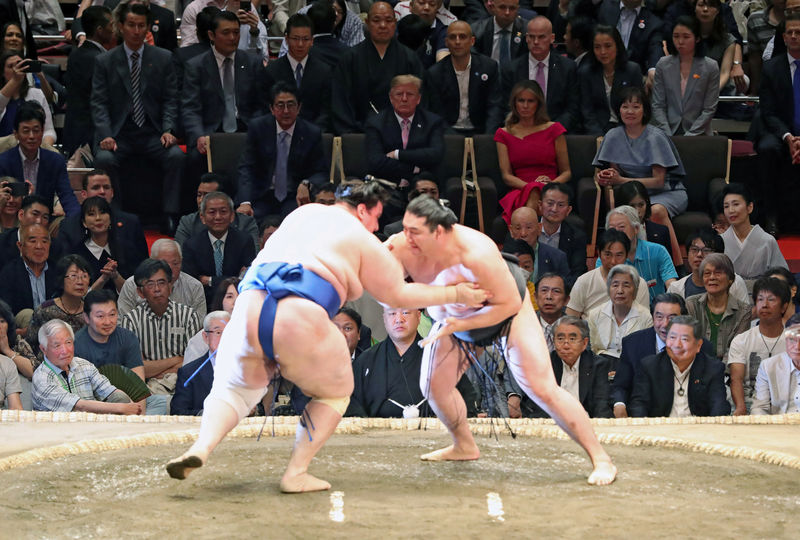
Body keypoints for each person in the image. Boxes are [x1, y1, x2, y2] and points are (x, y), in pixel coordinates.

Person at [166, 183, 489, 492]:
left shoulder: (300, 215)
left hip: (249, 308)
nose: (376, 227)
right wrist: (455, 291)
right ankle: (296, 473)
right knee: (336, 393)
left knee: (233, 390)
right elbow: (398, 294)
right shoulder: (361, 238)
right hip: (299, 312)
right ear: (362, 209)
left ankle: (202, 447)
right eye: (376, 217)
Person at [386, 195, 617, 485]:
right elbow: (386, 288)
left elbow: (507, 305)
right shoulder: (400, 246)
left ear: (442, 232)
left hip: (507, 312)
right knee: (432, 385)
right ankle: (464, 445)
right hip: (454, 318)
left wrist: (460, 322)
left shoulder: (477, 254)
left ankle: (601, 458)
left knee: (542, 388)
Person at [91, 2, 185, 224]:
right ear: (120, 26)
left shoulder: (163, 58)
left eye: (141, 25)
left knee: (176, 156)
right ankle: (112, 213)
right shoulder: (105, 61)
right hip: (119, 133)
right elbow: (99, 103)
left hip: (152, 132)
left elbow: (171, 99)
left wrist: (169, 129)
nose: (136, 31)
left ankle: (170, 214)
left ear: (148, 28)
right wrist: (105, 134)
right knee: (104, 158)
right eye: (131, 25)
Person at [594, 87, 687, 267]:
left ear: (645, 110)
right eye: (625, 106)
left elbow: (658, 181)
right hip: (633, 194)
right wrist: (607, 177)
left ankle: (675, 265)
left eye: (636, 107)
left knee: (657, 211)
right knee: (622, 215)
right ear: (618, 109)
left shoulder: (655, 136)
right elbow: (615, 177)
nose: (630, 111)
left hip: (666, 191)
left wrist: (620, 180)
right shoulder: (613, 135)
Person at [182, 10, 267, 185]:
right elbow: (191, 108)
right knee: (193, 159)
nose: (232, 38)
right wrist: (198, 135)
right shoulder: (196, 66)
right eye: (226, 33)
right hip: (211, 131)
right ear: (212, 35)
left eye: (236, 32)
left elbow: (261, 105)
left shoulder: (252, 63)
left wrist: (257, 131)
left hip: (245, 129)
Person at [349, 306, 472, 417]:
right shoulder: (366, 361)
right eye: (392, 314)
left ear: (418, 316)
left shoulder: (440, 357)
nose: (399, 319)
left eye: (406, 312)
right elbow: (352, 405)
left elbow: (467, 399)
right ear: (384, 319)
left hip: (433, 434)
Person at [612, 292, 715, 417]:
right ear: (652, 317)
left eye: (672, 318)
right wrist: (619, 404)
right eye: (659, 317)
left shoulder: (701, 346)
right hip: (646, 417)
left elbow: (713, 395)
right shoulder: (633, 344)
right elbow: (620, 386)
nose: (665, 324)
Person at [235, 82, 327, 219]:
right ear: (271, 109)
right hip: (262, 194)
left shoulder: (311, 133)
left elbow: (321, 171)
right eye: (280, 105)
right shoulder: (258, 128)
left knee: (297, 221)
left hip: (294, 196)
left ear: (299, 107)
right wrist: (245, 202)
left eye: (290, 105)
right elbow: (247, 167)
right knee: (246, 219)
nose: (285, 111)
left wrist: (306, 183)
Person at [331, 2, 425, 134]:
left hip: (402, 134)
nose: (382, 26)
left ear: (395, 23)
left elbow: (420, 100)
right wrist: (351, 136)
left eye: (388, 20)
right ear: (367, 22)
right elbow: (340, 103)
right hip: (359, 135)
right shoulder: (350, 58)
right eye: (376, 20)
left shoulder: (410, 59)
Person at [121, 259, 202, 411]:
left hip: (184, 384)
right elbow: (135, 369)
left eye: (162, 283)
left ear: (170, 286)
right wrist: (177, 360)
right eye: (150, 284)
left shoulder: (188, 315)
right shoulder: (131, 321)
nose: (157, 289)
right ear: (140, 292)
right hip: (148, 389)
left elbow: (193, 363)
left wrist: (157, 370)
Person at [495, 80, 570, 224]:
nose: (525, 106)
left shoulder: (554, 129)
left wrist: (547, 186)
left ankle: (524, 241)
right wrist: (532, 186)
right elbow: (506, 176)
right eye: (521, 100)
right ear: (514, 103)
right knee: (533, 192)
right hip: (520, 189)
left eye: (530, 101)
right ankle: (534, 239)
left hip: (552, 187)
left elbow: (566, 172)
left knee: (538, 193)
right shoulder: (503, 134)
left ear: (539, 104)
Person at [507, 316, 612, 418]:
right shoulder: (544, 364)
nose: (566, 345)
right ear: (554, 341)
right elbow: (537, 406)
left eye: (572, 339)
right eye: (560, 339)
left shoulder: (598, 365)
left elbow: (601, 405)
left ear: (584, 343)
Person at [31, 319, 141, 414]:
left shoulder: (84, 365)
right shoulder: (42, 378)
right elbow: (80, 405)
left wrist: (130, 404)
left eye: (68, 342)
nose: (65, 351)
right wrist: (122, 408)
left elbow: (109, 391)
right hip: (59, 432)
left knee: (122, 398)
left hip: (94, 425)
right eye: (57, 346)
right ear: (43, 349)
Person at [628, 315, 730, 417]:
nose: (677, 345)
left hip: (698, 429)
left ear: (698, 345)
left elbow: (718, 405)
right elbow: (639, 404)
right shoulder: (649, 366)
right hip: (660, 429)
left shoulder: (713, 368)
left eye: (684, 339)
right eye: (672, 337)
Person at [754, 13, 800, 235]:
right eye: (789, 32)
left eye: (798, 32)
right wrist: (789, 137)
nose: (793, 36)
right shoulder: (772, 68)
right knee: (767, 148)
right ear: (783, 36)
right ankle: (771, 217)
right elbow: (768, 111)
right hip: (780, 129)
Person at [501, 17, 580, 132]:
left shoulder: (568, 68)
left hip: (556, 132)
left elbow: (573, 108)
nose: (536, 42)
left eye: (541, 37)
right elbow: (506, 107)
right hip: (521, 132)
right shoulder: (511, 69)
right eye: (532, 37)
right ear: (526, 38)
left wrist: (552, 129)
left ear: (552, 38)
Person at [56, 170, 148, 268]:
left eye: (106, 187)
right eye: (96, 188)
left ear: (112, 193)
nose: (102, 192)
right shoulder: (68, 226)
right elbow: (63, 268)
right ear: (84, 194)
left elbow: (144, 265)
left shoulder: (131, 223)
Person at [0, 101, 79, 216]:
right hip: (12, 221)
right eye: (26, 131)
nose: (31, 136)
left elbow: (68, 198)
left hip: (45, 221)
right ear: (16, 134)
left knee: (64, 223)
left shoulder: (55, 161)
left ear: (42, 132)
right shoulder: (3, 162)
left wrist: (78, 223)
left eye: (36, 131)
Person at [425, 21, 504, 136]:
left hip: (481, 131)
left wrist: (488, 136)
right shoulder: (434, 73)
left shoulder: (489, 67)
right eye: (452, 37)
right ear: (446, 42)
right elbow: (436, 113)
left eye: (462, 37)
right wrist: (456, 140)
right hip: (448, 133)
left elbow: (495, 106)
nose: (457, 42)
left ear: (472, 41)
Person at [364, 74, 445, 185]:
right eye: (399, 94)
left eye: (410, 94)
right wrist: (414, 169)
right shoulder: (376, 123)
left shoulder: (432, 122)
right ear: (391, 98)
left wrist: (398, 154)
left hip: (421, 187)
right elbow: (376, 161)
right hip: (387, 185)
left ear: (418, 99)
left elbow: (435, 154)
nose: (404, 99)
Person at [727, 277, 790, 415]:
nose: (765, 305)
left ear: (784, 306)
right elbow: (736, 379)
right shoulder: (741, 340)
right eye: (760, 299)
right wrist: (740, 408)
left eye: (771, 299)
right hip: (749, 404)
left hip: (785, 406)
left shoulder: (793, 341)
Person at [182, 191, 255, 306]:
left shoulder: (244, 241)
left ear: (232, 216)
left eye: (223, 212)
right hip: (203, 303)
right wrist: (231, 278)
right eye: (212, 212)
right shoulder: (191, 245)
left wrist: (209, 280)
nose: (218, 217)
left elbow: (245, 279)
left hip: (237, 302)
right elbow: (193, 284)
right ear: (202, 217)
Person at [651, 16, 720, 136]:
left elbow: (709, 109)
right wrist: (667, 134)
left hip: (699, 133)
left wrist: (690, 136)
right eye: (676, 36)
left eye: (686, 37)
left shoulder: (710, 67)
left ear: (697, 38)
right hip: (668, 131)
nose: (680, 42)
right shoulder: (663, 64)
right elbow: (658, 105)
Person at [597, 205, 678, 302]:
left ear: (636, 228)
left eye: (621, 227)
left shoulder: (658, 251)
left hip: (656, 311)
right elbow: (603, 292)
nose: (617, 233)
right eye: (612, 229)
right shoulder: (605, 259)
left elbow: (671, 284)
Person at [264, 13, 331, 130]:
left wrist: (312, 132)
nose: (300, 44)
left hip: (314, 134)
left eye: (305, 39)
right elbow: (266, 108)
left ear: (312, 41)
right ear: (286, 39)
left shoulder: (324, 71)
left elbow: (327, 111)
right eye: (295, 39)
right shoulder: (271, 70)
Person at [63, 6, 115, 156]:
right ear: (100, 29)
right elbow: (100, 98)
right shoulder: (95, 58)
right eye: (111, 25)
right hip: (88, 134)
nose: (113, 29)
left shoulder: (81, 53)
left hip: (81, 129)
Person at [567, 228, 650, 317]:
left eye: (619, 255)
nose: (613, 261)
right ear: (599, 253)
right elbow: (570, 318)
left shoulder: (639, 284)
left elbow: (643, 321)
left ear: (626, 255)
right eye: (608, 254)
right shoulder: (584, 281)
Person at [586, 264, 653, 372]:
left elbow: (646, 354)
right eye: (615, 285)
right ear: (608, 289)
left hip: (632, 369)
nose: (620, 290)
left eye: (626, 285)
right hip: (600, 368)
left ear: (635, 290)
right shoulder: (595, 314)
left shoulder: (645, 316)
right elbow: (591, 350)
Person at [117, 238, 207, 319]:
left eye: (175, 263)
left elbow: (198, 324)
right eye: (164, 264)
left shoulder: (194, 286)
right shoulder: (132, 284)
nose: (170, 270)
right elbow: (124, 321)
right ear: (152, 261)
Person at [686, 253, 752, 362]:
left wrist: (718, 371)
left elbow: (736, 350)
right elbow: (689, 342)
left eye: (718, 273)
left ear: (730, 279)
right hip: (696, 365)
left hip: (728, 368)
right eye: (707, 273)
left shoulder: (743, 311)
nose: (712, 277)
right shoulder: (691, 305)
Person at [578, 25, 643, 136]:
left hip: (627, 129)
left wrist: (620, 134)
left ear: (617, 46)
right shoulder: (585, 73)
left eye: (608, 46)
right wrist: (598, 135)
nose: (603, 52)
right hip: (596, 132)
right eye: (597, 47)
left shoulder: (632, 70)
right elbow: (587, 111)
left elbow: (638, 106)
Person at [719, 183, 788, 283]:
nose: (731, 210)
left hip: (761, 294)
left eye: (736, 204)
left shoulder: (767, 241)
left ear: (749, 207)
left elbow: (781, 277)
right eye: (726, 206)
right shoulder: (720, 240)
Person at [25, 254, 91, 359]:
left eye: (84, 276)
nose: (80, 282)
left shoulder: (91, 312)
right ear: (61, 280)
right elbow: (30, 346)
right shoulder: (44, 310)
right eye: (74, 276)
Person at [66, 196, 135, 294]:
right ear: (84, 222)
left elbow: (134, 294)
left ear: (110, 218)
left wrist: (115, 275)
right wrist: (103, 278)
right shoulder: (76, 254)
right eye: (91, 214)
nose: (98, 218)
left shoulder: (126, 248)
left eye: (102, 212)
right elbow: (78, 296)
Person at [175, 174, 259, 253]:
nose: (201, 200)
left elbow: (253, 256)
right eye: (199, 195)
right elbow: (181, 256)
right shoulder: (188, 222)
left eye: (207, 196)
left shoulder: (245, 223)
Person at [667, 227, 749, 304]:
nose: (699, 254)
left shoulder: (735, 283)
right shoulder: (675, 289)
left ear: (719, 255)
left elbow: (744, 316)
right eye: (694, 250)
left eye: (706, 250)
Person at [74, 289, 144, 379]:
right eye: (100, 316)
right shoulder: (76, 344)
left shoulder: (128, 338)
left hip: (125, 393)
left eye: (112, 314)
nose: (107, 322)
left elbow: (138, 381)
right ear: (86, 318)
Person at [596, 0, 664, 91]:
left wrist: (653, 69)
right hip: (602, 69)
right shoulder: (606, 8)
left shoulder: (653, 22)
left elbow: (655, 47)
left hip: (632, 78)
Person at [172, 311, 231, 416]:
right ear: (205, 337)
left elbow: (260, 409)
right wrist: (206, 413)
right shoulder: (189, 373)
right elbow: (178, 412)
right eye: (218, 332)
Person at [0, 223, 57, 317]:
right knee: (27, 314)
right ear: (20, 246)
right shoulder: (9, 273)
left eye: (44, 241)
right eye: (33, 241)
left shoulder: (58, 271)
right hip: (22, 326)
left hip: (54, 325)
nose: (39, 246)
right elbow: (5, 312)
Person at [179, 0, 267, 60]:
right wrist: (231, 21)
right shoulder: (194, 8)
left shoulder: (244, 6)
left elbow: (262, 54)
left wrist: (254, 31)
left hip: (243, 64)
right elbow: (188, 50)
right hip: (208, 65)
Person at [0, 51, 56, 146]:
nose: (16, 69)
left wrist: (45, 148)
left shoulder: (37, 94)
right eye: (10, 66)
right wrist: (15, 80)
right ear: (2, 72)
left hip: (33, 150)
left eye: (20, 64)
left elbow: (49, 131)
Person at [538, 183, 588, 285]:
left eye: (560, 205)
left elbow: (578, 273)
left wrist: (560, 292)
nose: (554, 209)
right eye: (550, 203)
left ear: (568, 210)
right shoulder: (525, 230)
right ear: (540, 205)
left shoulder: (577, 237)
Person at [507, 206, 570, 285]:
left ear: (539, 228)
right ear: (511, 231)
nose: (523, 234)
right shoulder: (500, 260)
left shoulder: (557, 258)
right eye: (518, 228)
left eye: (529, 227)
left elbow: (564, 292)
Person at [751, 314, 800, 414]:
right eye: (792, 340)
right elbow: (760, 407)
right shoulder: (768, 367)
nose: (797, 347)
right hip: (780, 426)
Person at [615, 180, 672, 257]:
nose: (637, 211)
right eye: (632, 206)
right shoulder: (612, 234)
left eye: (641, 205)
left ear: (647, 203)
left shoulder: (661, 232)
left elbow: (667, 266)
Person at [0, 193, 49, 270]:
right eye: (35, 214)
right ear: (21, 215)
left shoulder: (54, 247)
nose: (39, 221)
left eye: (45, 217)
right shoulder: (2, 242)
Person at [0, 298, 36, 381]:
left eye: (2, 321)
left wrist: (7, 350)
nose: (0, 326)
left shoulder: (18, 342)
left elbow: (33, 372)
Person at [533, 272, 570, 351]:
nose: (549, 296)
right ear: (535, 297)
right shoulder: (523, 326)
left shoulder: (577, 327)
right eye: (544, 290)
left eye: (556, 291)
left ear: (566, 300)